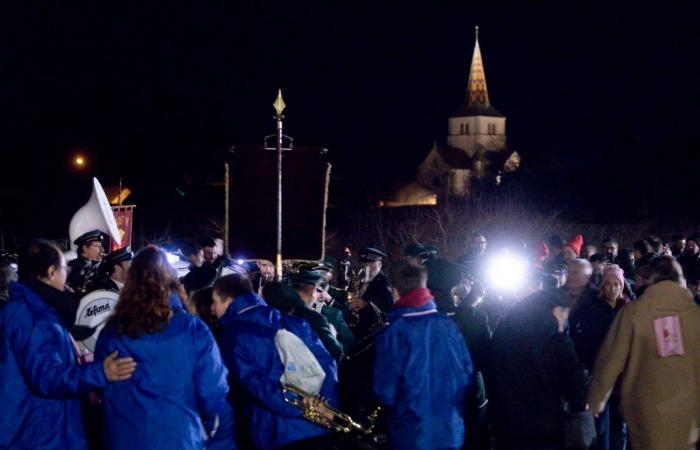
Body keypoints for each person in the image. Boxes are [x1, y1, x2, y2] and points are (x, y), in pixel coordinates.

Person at [0, 239, 136, 449]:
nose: (67, 273)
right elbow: (47, 377)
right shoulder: (32, 316)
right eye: (65, 268)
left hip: (38, 428)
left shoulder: (32, 309)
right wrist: (101, 372)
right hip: (37, 434)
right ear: (52, 272)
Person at [95, 246, 233, 450]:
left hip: (125, 438)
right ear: (171, 281)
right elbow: (214, 393)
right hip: (180, 438)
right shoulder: (193, 329)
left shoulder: (112, 332)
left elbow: (100, 383)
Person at [588, 256, 700, 450]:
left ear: (651, 278)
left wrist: (596, 399)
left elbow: (611, 358)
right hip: (688, 409)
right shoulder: (695, 316)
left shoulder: (634, 313)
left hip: (644, 408)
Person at [217, 277, 339, 450]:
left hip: (278, 432)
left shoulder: (234, 336)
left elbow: (257, 386)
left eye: (215, 302)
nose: (213, 309)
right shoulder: (296, 323)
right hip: (320, 425)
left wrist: (302, 408)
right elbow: (327, 363)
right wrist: (325, 406)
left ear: (229, 301)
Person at [373, 262, 474, 450]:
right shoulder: (448, 325)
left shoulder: (394, 332)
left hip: (411, 433)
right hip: (450, 429)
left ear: (394, 291)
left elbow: (384, 389)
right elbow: (466, 374)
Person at [488, 286, 588, 449]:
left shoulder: (504, 331)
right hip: (543, 427)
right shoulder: (557, 339)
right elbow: (574, 381)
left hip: (506, 424)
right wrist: (580, 404)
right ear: (556, 311)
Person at [569, 265, 629, 450]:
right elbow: (584, 344)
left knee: (620, 425)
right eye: (608, 284)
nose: (612, 288)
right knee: (601, 426)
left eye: (616, 284)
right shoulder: (592, 310)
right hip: (598, 375)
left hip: (622, 378)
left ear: (622, 286)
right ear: (602, 286)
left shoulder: (628, 310)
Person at [291, 270, 344, 360]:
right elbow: (335, 351)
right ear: (313, 290)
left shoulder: (282, 310)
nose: (316, 300)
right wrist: (332, 334)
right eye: (318, 291)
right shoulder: (316, 319)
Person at [349, 246, 394, 314]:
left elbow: (388, 304)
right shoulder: (358, 280)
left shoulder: (385, 282)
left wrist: (367, 304)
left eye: (370, 263)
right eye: (364, 263)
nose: (366, 266)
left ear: (379, 264)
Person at [67, 229, 106, 294]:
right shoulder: (74, 266)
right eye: (97, 246)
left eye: (101, 247)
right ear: (85, 248)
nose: (102, 250)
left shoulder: (96, 264)